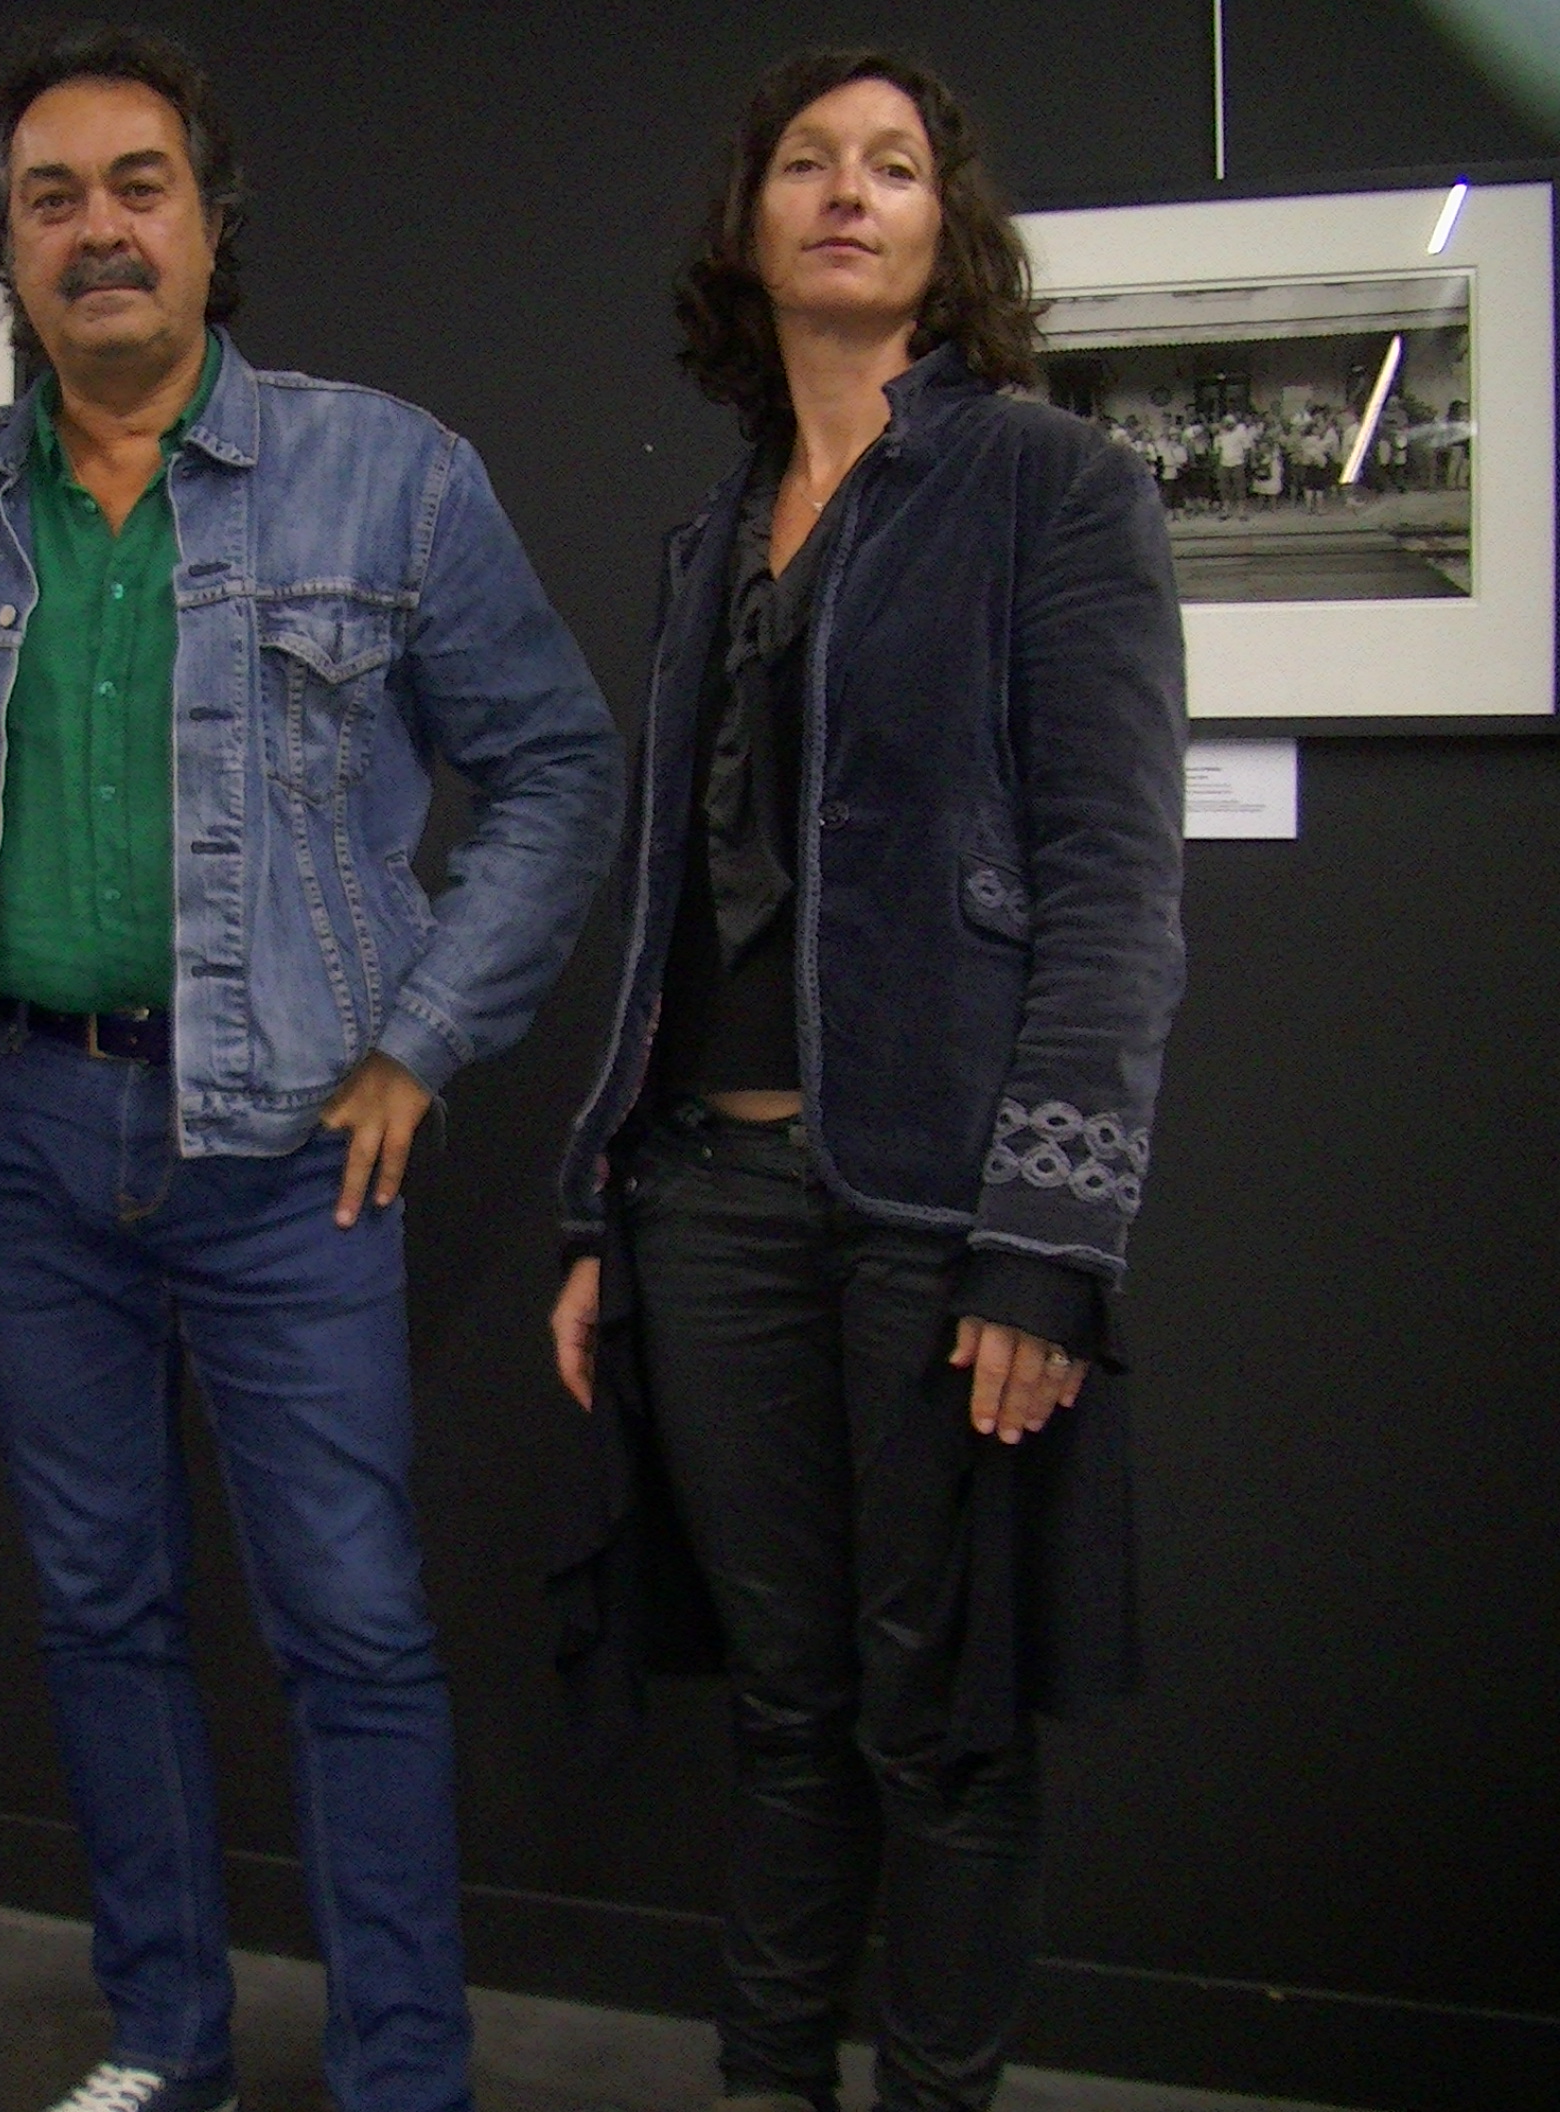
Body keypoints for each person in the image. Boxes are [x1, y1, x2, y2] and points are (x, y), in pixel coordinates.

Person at [0, 27, 620, 2112]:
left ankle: (400, 2072)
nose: (98, 227)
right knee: (101, 1611)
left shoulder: (384, 473)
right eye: (51, 198)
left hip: (289, 1153)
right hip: (28, 1144)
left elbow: (558, 771)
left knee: (352, 1628)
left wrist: (426, 1033)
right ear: (6, 255)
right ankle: (164, 2043)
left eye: (139, 184)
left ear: (216, 227)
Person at [545, 49, 1185, 2112]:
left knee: (942, 1726)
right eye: (804, 162)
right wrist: (595, 1202)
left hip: (935, 1212)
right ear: (748, 222)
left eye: (889, 165)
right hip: (708, 1203)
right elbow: (666, 904)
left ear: (943, 230)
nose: (843, 190)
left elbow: (1111, 888)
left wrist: (1051, 1242)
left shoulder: (1046, 488)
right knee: (785, 1710)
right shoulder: (706, 540)